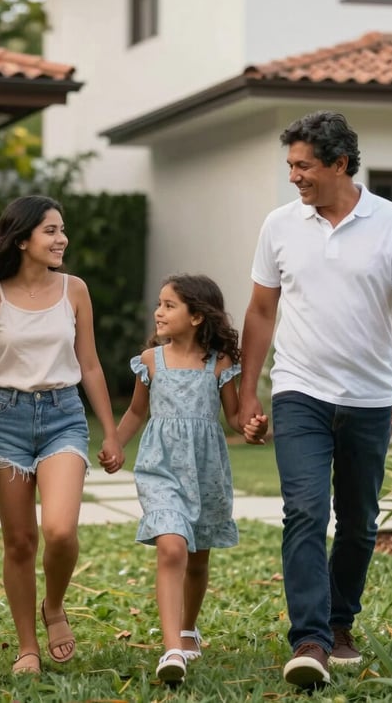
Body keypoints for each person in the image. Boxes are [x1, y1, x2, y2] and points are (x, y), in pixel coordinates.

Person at [237, 110, 392, 688]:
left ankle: (340, 622)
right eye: (290, 165)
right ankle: (311, 639)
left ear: (340, 164)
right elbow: (260, 310)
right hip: (299, 390)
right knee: (304, 510)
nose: (294, 176)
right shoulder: (280, 225)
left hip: (370, 397)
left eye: (304, 166)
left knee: (359, 522)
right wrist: (249, 390)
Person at [0, 194, 124, 675]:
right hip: (6, 419)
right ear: (22, 238)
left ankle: (53, 605)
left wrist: (112, 433)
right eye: (51, 231)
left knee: (59, 530)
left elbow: (91, 364)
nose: (62, 239)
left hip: (63, 415)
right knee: (19, 541)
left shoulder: (75, 289)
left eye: (62, 230)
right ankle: (27, 647)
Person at [103, 274, 266, 684]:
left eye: (169, 305)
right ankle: (171, 647)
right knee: (172, 547)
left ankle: (189, 628)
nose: (158, 312)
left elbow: (232, 417)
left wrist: (252, 429)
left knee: (198, 557)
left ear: (196, 316)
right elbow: (137, 412)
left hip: (206, 469)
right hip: (161, 468)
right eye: (159, 303)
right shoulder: (151, 360)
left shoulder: (219, 363)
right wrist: (116, 443)